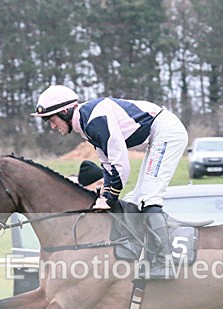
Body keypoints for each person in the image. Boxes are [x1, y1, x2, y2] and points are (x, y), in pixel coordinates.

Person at [31, 85, 188, 279]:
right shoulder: (87, 124)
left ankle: (164, 262)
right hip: (156, 136)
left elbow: (121, 165)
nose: (52, 127)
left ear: (65, 111)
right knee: (134, 199)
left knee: (148, 198)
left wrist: (109, 198)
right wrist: (105, 195)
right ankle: (142, 256)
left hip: (166, 133)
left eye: (52, 120)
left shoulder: (95, 120)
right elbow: (107, 164)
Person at [44, 160, 119, 309]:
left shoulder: (110, 208)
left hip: (107, 286)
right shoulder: (71, 214)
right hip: (76, 286)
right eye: (98, 185)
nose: (102, 189)